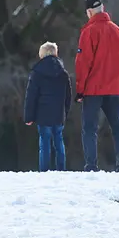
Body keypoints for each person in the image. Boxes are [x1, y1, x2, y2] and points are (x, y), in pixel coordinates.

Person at [75, 0, 119, 172]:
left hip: (93, 89)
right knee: (117, 126)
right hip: (114, 88)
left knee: (90, 128)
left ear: (89, 12)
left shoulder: (89, 32)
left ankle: (91, 165)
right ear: (103, 8)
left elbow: (84, 63)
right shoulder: (118, 31)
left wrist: (80, 89)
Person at [24, 41, 72, 172]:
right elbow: (68, 96)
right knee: (59, 141)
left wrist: (29, 116)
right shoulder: (63, 73)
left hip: (43, 113)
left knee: (44, 142)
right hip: (58, 114)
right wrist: (65, 112)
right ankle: (61, 169)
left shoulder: (37, 73)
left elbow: (31, 96)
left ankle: (44, 170)